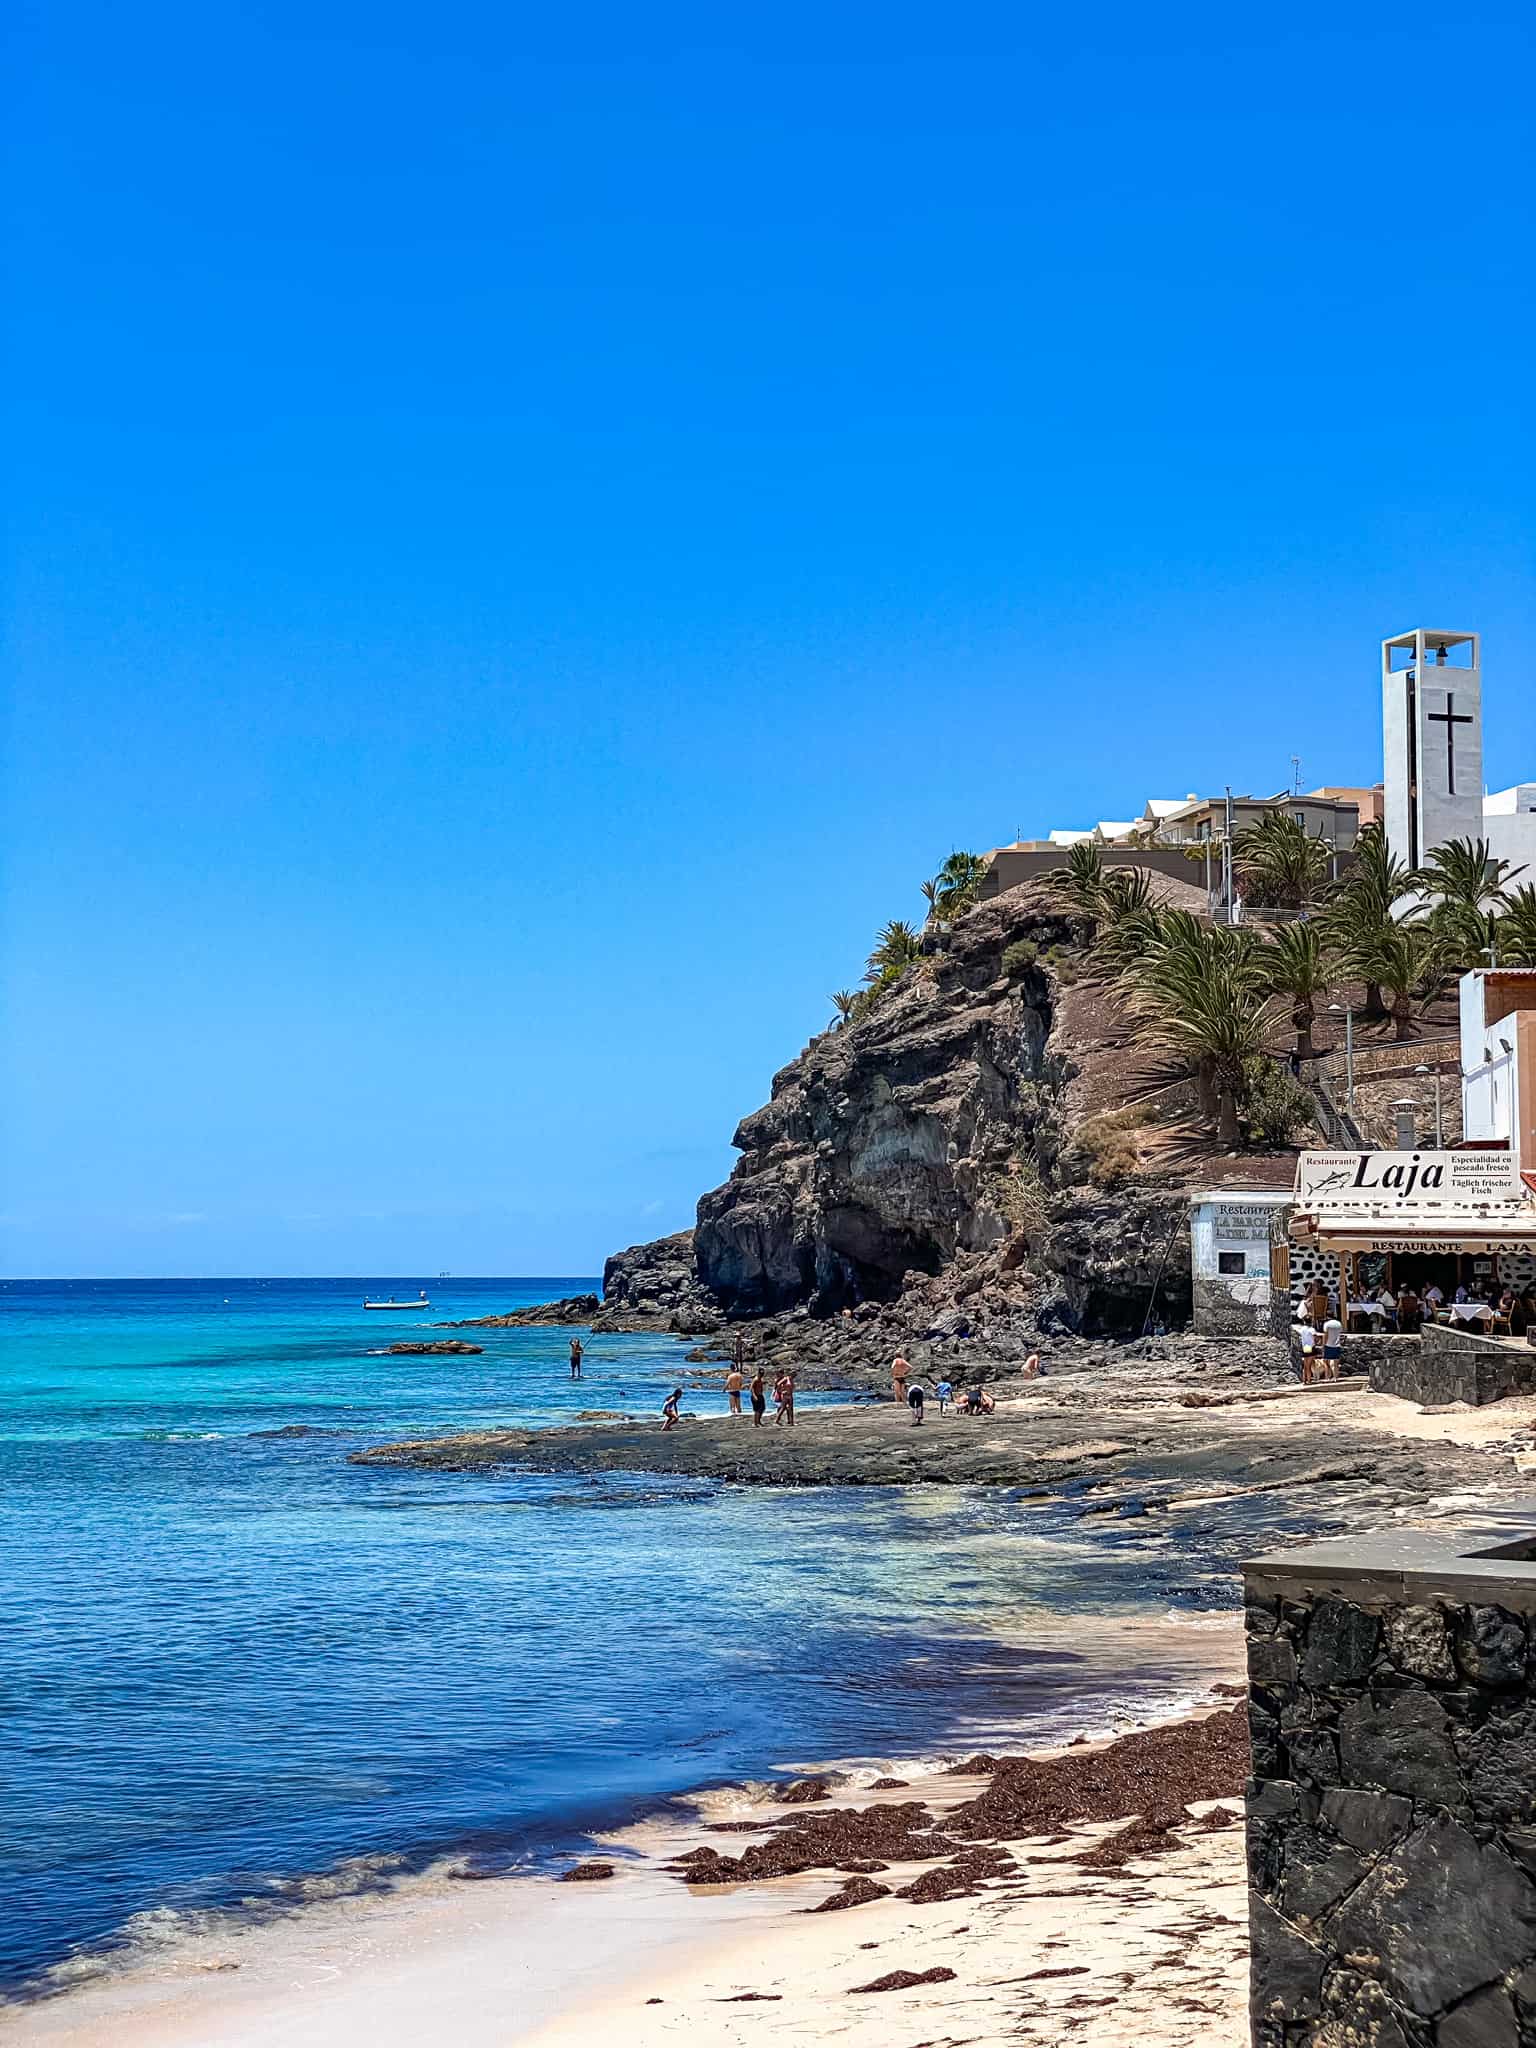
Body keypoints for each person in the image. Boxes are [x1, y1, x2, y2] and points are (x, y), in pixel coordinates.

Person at [1321, 1313, 1344, 1381]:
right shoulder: (1339, 1323)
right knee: (1336, 1363)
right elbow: (1340, 1333)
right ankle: (1335, 1377)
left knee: (1326, 1362)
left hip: (1328, 1344)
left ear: (1327, 1316)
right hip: (1337, 1345)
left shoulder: (1326, 1324)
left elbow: (1326, 1335)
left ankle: (1328, 1377)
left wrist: (1323, 1345)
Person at [1296, 1319, 1317, 1386]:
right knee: (1309, 1366)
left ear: (1304, 1321)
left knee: (1305, 1366)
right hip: (1311, 1347)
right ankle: (1309, 1380)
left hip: (1305, 1347)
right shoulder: (1312, 1329)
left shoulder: (1302, 1329)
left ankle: (1304, 1380)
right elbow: (1315, 1337)